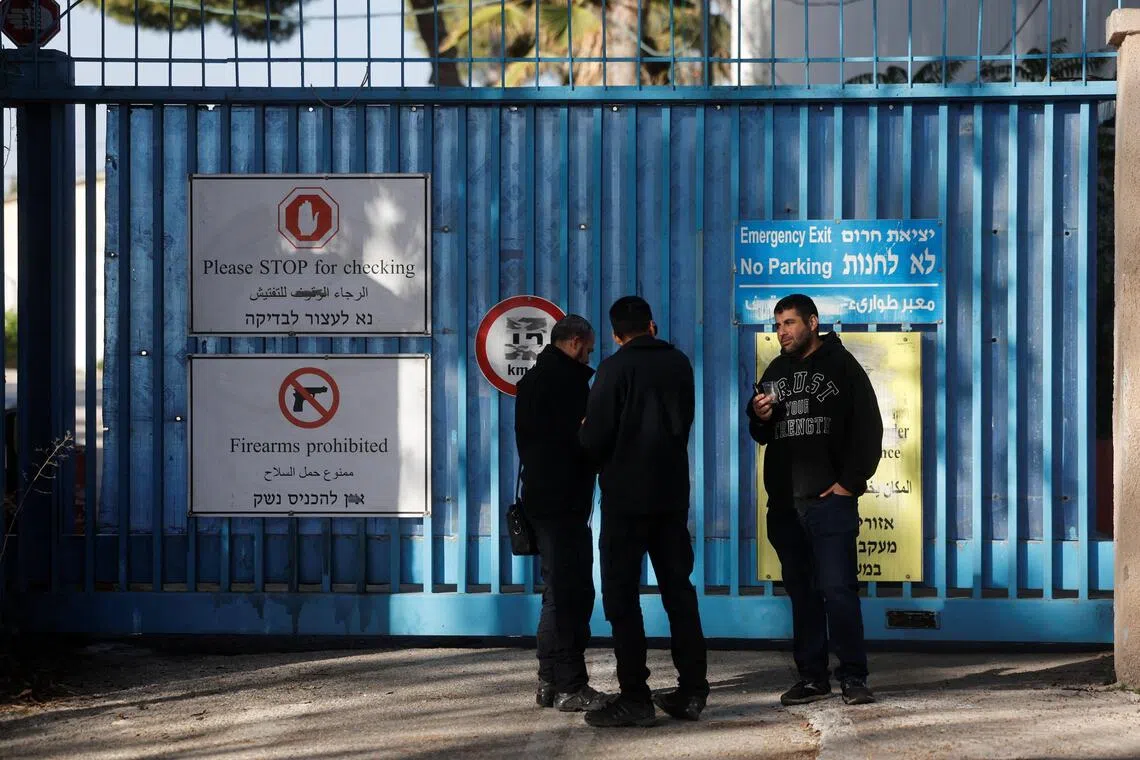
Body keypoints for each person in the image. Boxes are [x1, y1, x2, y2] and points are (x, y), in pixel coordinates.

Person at [745, 293, 883, 707]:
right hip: (786, 506)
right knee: (802, 593)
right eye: (777, 324)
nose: (781, 331)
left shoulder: (842, 366)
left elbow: (869, 427)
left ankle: (854, 677)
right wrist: (760, 414)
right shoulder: (776, 370)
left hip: (829, 504)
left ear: (812, 322)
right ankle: (812, 677)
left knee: (838, 590)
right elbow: (761, 432)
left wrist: (849, 484)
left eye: (788, 323)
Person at [578, 296, 708, 728]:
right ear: (652, 326)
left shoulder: (613, 370)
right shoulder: (679, 364)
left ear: (616, 334)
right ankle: (692, 690)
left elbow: (594, 440)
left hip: (626, 501)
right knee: (678, 592)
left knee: (621, 596)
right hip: (671, 497)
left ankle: (635, 695)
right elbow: (683, 421)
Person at [514, 314, 608, 713]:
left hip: (538, 501)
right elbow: (582, 442)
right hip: (564, 504)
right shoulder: (570, 384)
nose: (590, 352)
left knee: (555, 593)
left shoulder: (531, 382)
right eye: (588, 345)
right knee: (572, 594)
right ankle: (572, 685)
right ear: (573, 341)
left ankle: (548, 681)